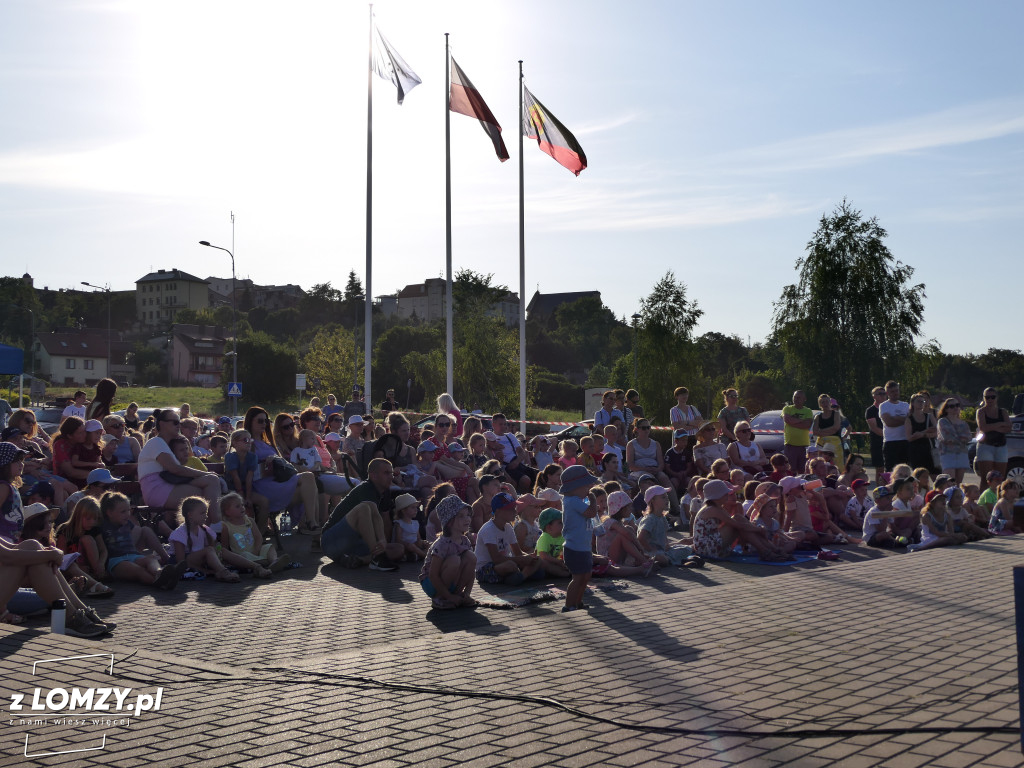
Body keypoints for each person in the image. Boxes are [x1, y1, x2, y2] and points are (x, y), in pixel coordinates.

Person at [243, 407, 320, 535]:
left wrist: (274, 459)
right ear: (250, 421)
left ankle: (312, 523)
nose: (264, 424)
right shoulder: (247, 442)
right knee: (309, 481)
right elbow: (244, 467)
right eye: (260, 421)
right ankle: (310, 524)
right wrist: (262, 462)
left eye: (266, 421)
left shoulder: (267, 443)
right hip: (261, 486)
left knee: (309, 479)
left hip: (277, 483)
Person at [138, 409, 223, 523]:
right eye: (175, 422)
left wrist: (208, 475)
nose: (179, 425)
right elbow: (175, 469)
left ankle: (206, 531)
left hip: (169, 484)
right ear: (162, 424)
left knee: (211, 483)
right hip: (157, 490)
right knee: (206, 495)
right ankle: (215, 527)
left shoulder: (167, 445)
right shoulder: (156, 442)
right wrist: (205, 473)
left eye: (179, 422)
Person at [321, 458, 405, 570]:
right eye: (386, 473)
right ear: (373, 475)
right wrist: (381, 539)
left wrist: (383, 543)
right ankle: (377, 558)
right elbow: (375, 514)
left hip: (353, 543)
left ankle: (361, 560)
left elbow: (384, 520)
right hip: (331, 541)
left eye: (391, 473)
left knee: (398, 549)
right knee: (364, 507)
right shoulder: (366, 488)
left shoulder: (384, 492)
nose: (391, 476)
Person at [100, 491, 186, 589]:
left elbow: (139, 531)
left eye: (128, 510)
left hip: (132, 556)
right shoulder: (103, 526)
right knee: (139, 570)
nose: (127, 514)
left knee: (150, 560)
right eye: (123, 512)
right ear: (109, 513)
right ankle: (159, 582)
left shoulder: (127, 523)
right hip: (116, 561)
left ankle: (160, 573)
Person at [692, 480, 788, 561]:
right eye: (726, 494)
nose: (728, 495)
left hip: (711, 545)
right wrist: (759, 529)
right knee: (738, 520)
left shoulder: (718, 508)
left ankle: (770, 550)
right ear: (718, 495)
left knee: (738, 518)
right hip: (706, 548)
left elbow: (740, 524)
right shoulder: (712, 509)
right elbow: (738, 526)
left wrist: (756, 529)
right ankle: (767, 551)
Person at [419, 496, 477, 609]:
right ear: (449, 522)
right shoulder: (442, 544)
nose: (467, 519)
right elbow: (433, 574)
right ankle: (439, 598)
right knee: (454, 560)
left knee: (471, 557)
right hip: (432, 584)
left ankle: (458, 595)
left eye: (468, 515)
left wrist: (467, 593)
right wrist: (448, 596)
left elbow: (472, 569)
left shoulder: (465, 541)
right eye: (461, 516)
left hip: (452, 581)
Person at [475, 491, 542, 586]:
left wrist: (529, 557)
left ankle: (521, 577)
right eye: (510, 509)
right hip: (486, 569)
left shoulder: (508, 527)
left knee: (538, 560)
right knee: (511, 566)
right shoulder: (488, 529)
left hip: (507, 562)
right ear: (498, 511)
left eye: (514, 508)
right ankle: (521, 576)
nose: (515, 511)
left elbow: (518, 552)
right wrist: (521, 560)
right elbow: (496, 559)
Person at [167, 496, 242, 582]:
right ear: (190, 515)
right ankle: (224, 572)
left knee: (222, 550)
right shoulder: (180, 533)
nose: (206, 516)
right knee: (209, 550)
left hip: (199, 561)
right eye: (202, 513)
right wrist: (206, 571)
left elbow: (214, 548)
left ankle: (255, 566)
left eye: (206, 513)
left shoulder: (204, 529)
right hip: (186, 562)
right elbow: (181, 563)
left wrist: (218, 551)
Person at [557, 465, 599, 612]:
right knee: (578, 578)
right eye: (586, 486)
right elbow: (591, 513)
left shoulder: (576, 500)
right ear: (576, 487)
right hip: (574, 548)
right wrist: (593, 501)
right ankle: (568, 605)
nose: (589, 490)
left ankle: (578, 602)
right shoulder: (572, 501)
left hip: (583, 547)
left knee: (586, 576)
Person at [490, 413, 536, 492]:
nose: (503, 426)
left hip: (516, 463)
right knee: (525, 480)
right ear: (493, 425)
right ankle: (520, 500)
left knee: (540, 475)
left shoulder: (510, 436)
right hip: (505, 466)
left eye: (505, 424)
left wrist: (516, 462)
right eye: (500, 424)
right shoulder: (490, 438)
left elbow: (521, 452)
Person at [975, 387, 1011, 481]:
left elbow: (1009, 428)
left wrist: (991, 427)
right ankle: (984, 495)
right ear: (984, 398)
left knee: (1000, 478)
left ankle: (997, 496)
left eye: (992, 397)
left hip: (1001, 446)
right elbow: (983, 428)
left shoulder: (1003, 412)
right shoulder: (981, 411)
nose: (990, 399)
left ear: (997, 398)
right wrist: (1000, 424)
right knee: (986, 479)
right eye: (987, 397)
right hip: (986, 446)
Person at [935, 398, 971, 484]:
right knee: (950, 482)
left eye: (957, 405)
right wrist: (961, 438)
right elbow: (947, 437)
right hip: (948, 454)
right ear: (946, 409)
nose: (955, 408)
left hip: (962, 453)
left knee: (958, 483)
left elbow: (969, 437)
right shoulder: (942, 421)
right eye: (952, 406)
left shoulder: (963, 423)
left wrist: (957, 438)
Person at [878, 381, 910, 471]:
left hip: (905, 441)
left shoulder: (905, 405)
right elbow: (889, 423)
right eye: (892, 391)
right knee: (890, 472)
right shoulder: (884, 406)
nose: (895, 393)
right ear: (887, 393)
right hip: (891, 442)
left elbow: (911, 420)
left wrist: (896, 417)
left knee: (905, 471)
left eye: (896, 390)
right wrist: (905, 419)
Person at [905, 393, 938, 478]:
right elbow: (909, 438)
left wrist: (923, 434)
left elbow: (937, 432)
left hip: (930, 449)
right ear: (912, 403)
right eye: (918, 401)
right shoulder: (909, 419)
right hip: (916, 451)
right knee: (918, 477)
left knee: (935, 475)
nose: (921, 403)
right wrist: (926, 431)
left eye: (922, 401)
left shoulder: (929, 416)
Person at [781, 391, 814, 475]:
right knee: (790, 469)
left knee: (803, 470)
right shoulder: (787, 408)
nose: (796, 399)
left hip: (803, 445)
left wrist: (793, 422)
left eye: (799, 397)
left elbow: (807, 425)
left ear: (804, 399)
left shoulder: (808, 411)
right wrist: (802, 421)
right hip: (790, 444)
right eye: (795, 397)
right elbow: (788, 420)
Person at [392, 492, 427, 561]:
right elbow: (398, 540)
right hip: (405, 547)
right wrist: (409, 545)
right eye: (412, 507)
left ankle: (417, 555)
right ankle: (425, 556)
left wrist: (422, 543)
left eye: (416, 507)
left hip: (415, 546)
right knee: (411, 546)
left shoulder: (415, 523)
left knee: (427, 543)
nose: (416, 510)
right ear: (403, 510)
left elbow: (418, 538)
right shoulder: (399, 523)